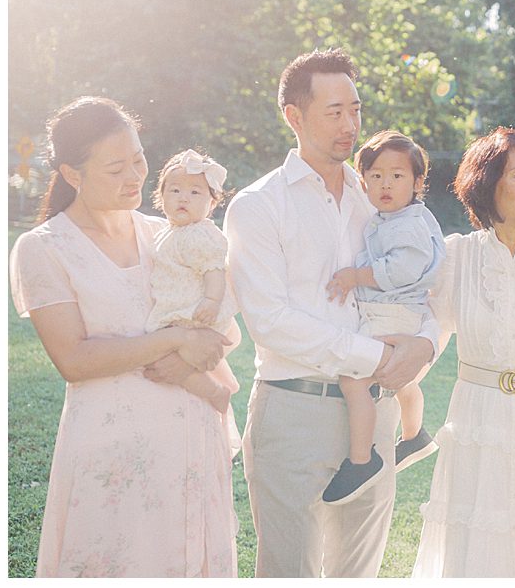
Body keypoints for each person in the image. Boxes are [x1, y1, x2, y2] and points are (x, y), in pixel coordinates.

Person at [224, 48, 438, 578]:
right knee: (289, 573)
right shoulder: (258, 206)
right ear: (294, 116)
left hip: (376, 411)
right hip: (293, 411)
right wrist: (374, 356)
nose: (351, 125)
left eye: (356, 110)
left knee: (359, 575)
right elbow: (269, 319)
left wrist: (424, 344)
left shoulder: (381, 199)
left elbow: (420, 282)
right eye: (334, 112)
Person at [9, 97, 237, 577]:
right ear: (73, 174)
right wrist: (173, 343)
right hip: (111, 451)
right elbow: (74, 359)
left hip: (190, 440)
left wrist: (190, 354)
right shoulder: (44, 249)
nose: (135, 176)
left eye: (138, 160)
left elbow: (219, 326)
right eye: (116, 168)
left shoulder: (167, 232)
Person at [413, 127, 515, 577]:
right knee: (480, 539)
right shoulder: (456, 257)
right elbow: (426, 334)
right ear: (488, 182)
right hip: (478, 420)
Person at [323, 130, 445, 504]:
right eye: (376, 176)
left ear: (418, 182)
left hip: (393, 311)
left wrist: (356, 276)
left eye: (397, 175)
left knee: (354, 379)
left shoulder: (406, 224)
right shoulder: (395, 219)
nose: (386, 184)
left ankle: (362, 459)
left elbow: (402, 269)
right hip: (401, 312)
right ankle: (414, 435)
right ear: (363, 181)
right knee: (399, 378)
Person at [145, 149, 241, 427]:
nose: (183, 198)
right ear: (161, 197)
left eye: (195, 193)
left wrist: (211, 300)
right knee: (166, 352)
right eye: (174, 190)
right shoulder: (168, 232)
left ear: (212, 204)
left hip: (195, 314)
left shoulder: (201, 234)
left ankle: (216, 392)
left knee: (168, 357)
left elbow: (214, 269)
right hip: (180, 309)